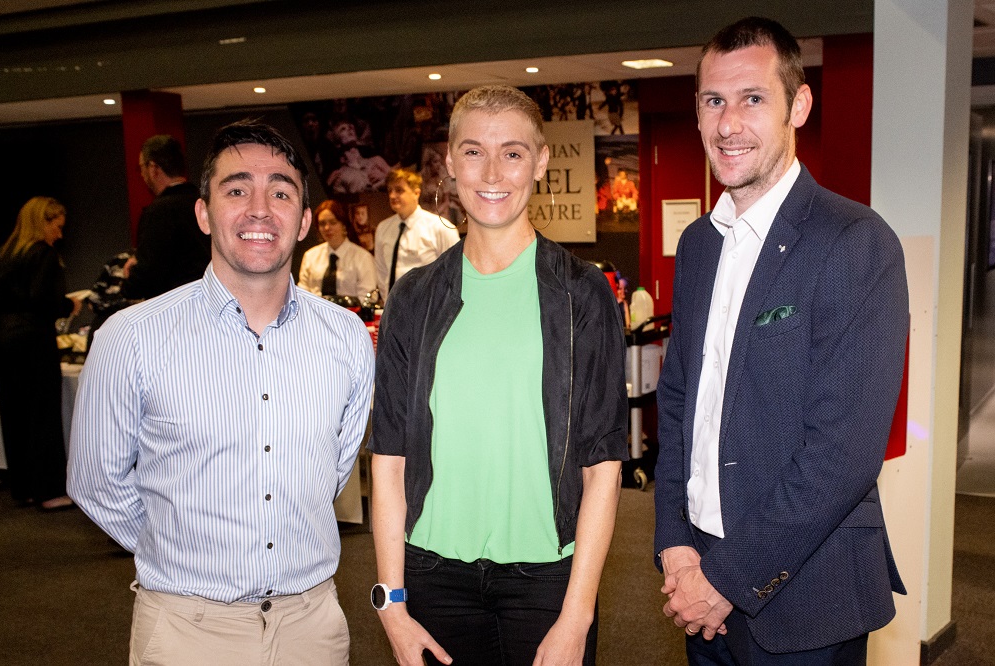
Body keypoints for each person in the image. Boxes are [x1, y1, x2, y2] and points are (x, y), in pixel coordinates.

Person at [68, 120, 374, 665]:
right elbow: (96, 481)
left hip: (312, 629)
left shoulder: (346, 336)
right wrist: (179, 545)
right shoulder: (132, 338)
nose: (260, 208)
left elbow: (333, 467)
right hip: (186, 630)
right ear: (204, 212)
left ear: (303, 220)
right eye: (237, 189)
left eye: (280, 191)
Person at [653, 17, 908, 665]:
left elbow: (844, 455)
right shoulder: (700, 245)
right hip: (698, 578)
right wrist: (675, 542)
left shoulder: (853, 242)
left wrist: (725, 577)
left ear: (798, 104)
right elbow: (681, 402)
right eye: (713, 101)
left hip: (803, 595)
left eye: (752, 99)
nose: (728, 123)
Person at [370, 85, 628, 666]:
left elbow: (604, 467)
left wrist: (576, 616)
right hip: (432, 577)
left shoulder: (582, 295)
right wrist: (392, 604)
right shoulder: (414, 299)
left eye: (512, 152)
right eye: (473, 151)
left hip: (547, 583)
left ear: (540, 161)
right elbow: (388, 460)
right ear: (450, 162)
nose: (492, 171)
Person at [0, 196, 80, 510]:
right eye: (56, 227)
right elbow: (43, 299)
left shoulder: (5, 254)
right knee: (42, 413)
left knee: (14, 413)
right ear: (43, 223)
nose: (59, 234)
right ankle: (49, 490)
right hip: (33, 340)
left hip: (3, 341)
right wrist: (68, 305)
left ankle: (25, 487)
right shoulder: (43, 254)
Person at [122, 134, 211, 300]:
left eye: (141, 167)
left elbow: (149, 274)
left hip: (176, 310)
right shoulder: (206, 203)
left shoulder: (159, 212)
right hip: (212, 302)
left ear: (153, 168)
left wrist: (130, 281)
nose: (142, 175)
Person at [374, 167, 459, 301]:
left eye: (399, 190)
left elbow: (455, 272)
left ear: (416, 193)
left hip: (428, 307)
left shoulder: (440, 227)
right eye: (390, 190)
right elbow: (381, 272)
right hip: (394, 307)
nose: (392, 196)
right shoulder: (383, 228)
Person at [298, 199, 376, 299]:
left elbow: (367, 298)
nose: (327, 228)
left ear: (343, 225)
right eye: (322, 224)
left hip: (350, 313)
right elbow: (302, 294)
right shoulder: (310, 256)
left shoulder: (363, 257)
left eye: (332, 222)